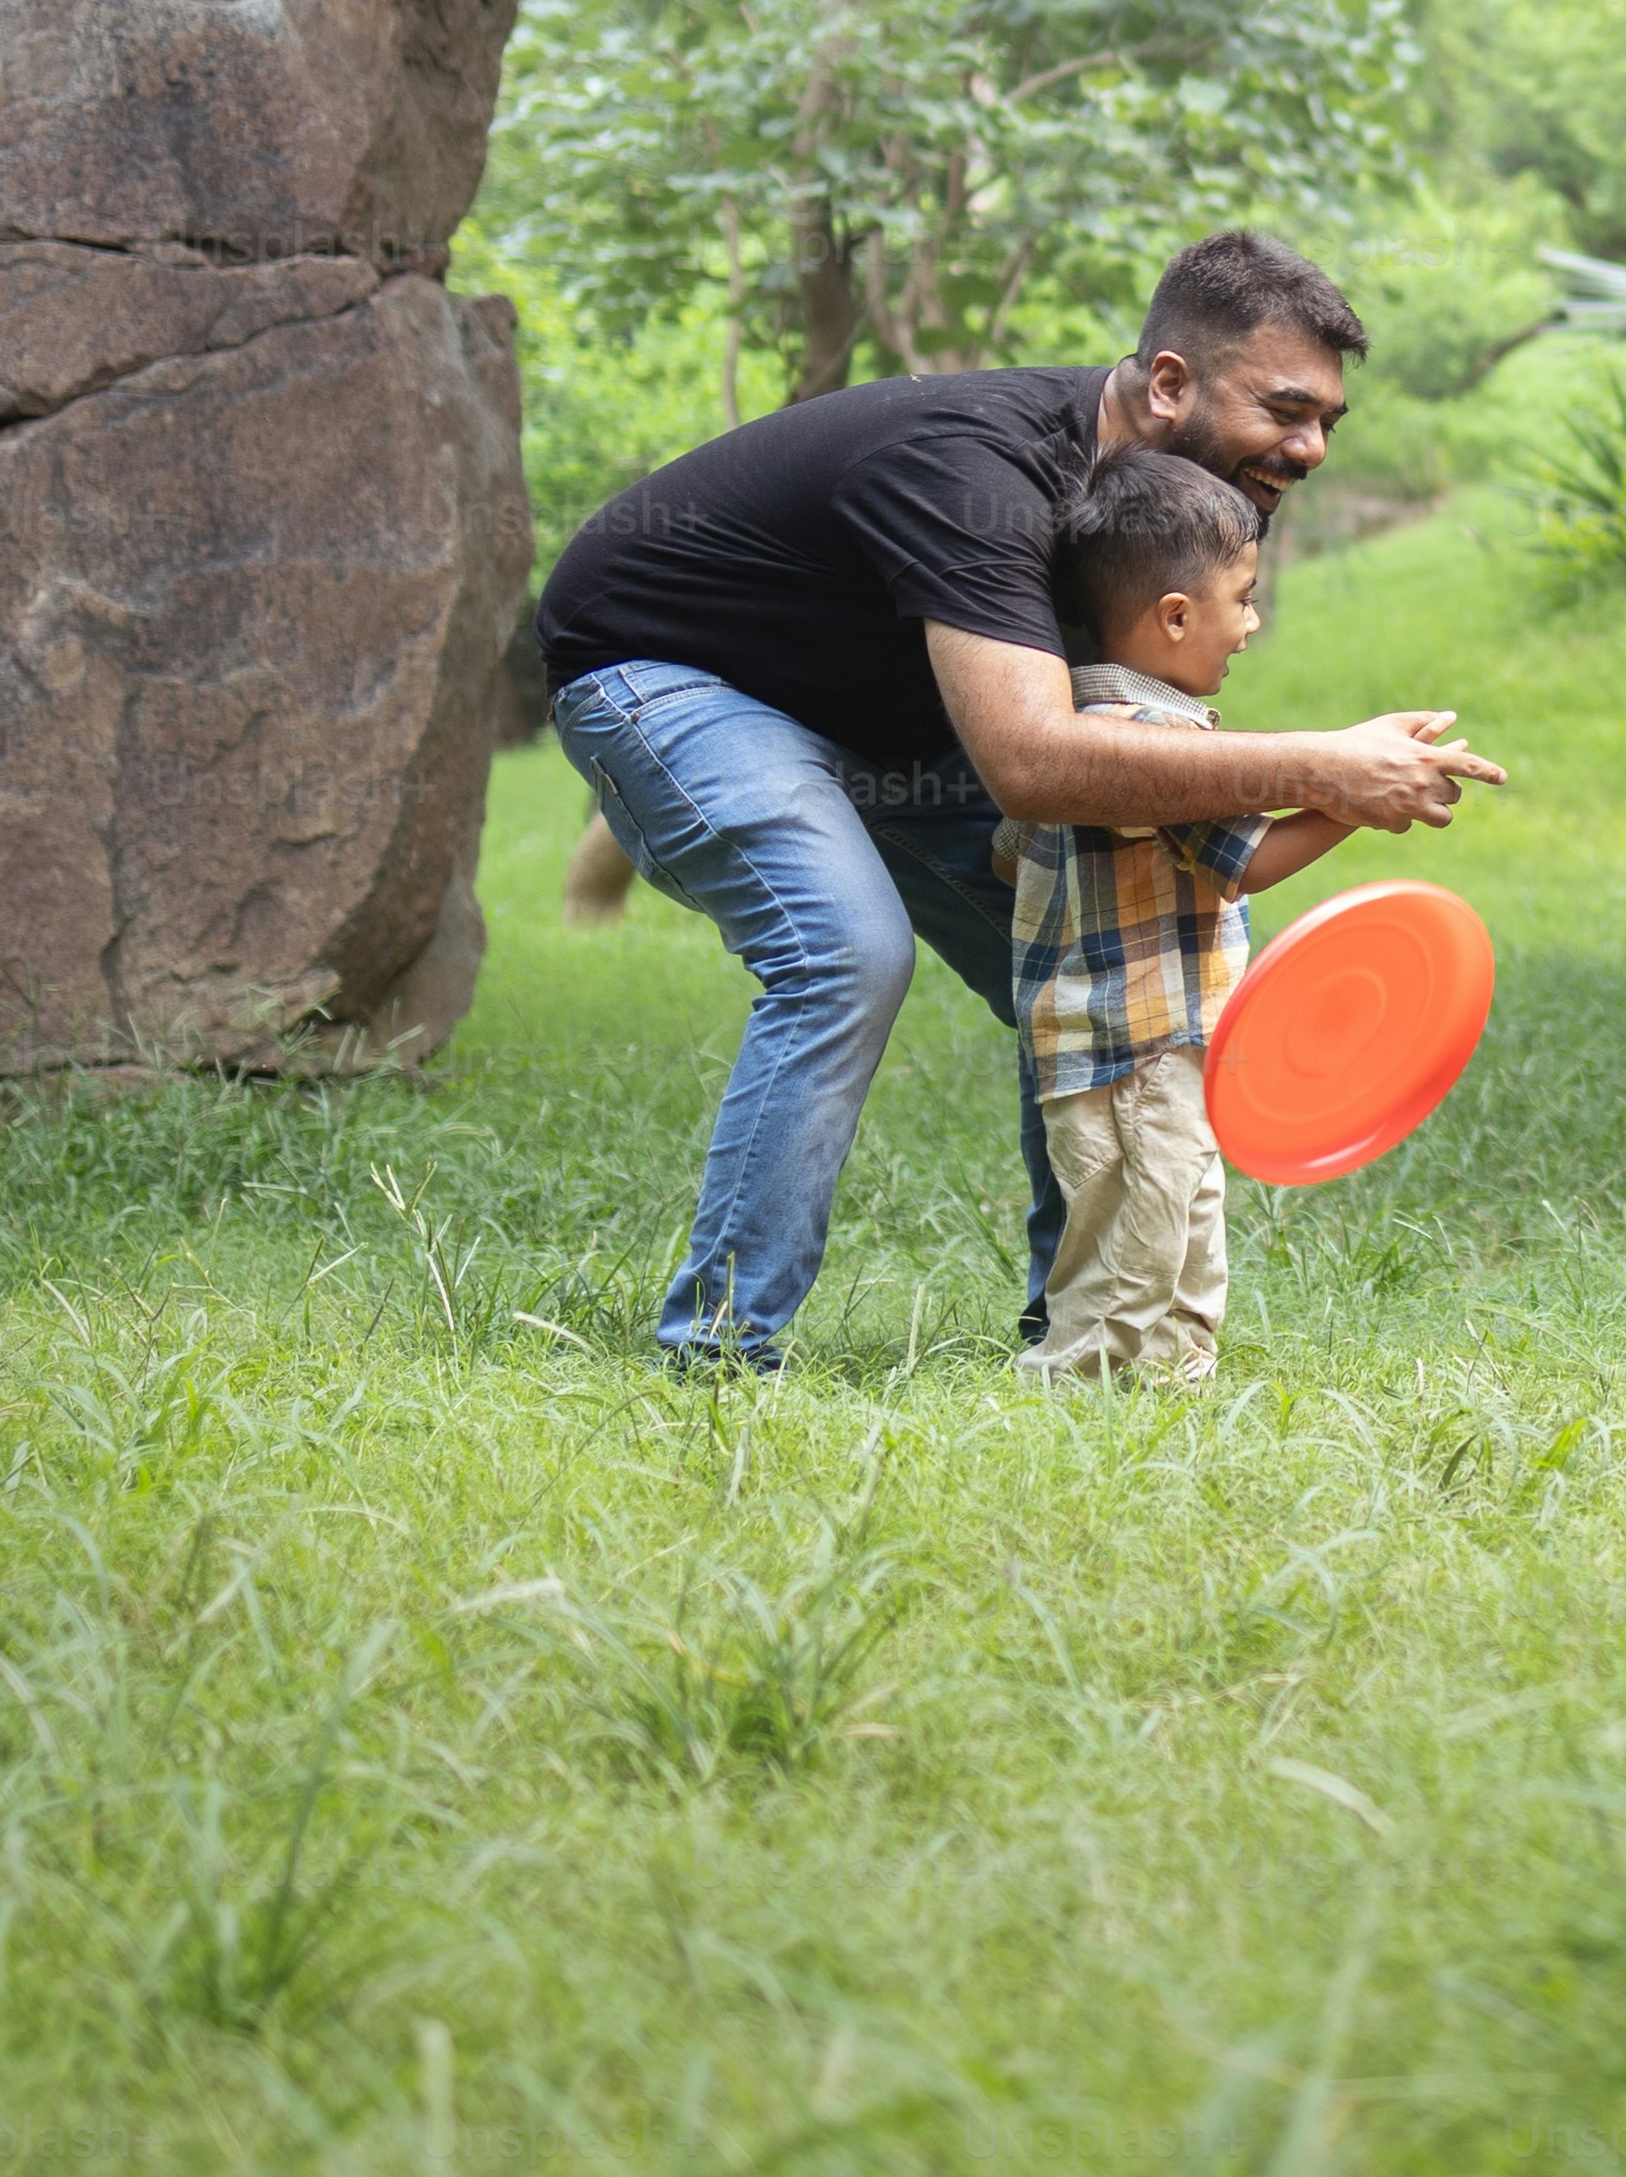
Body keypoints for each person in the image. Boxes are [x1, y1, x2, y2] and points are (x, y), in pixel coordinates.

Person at [536, 232, 1500, 1369]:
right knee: (846, 951)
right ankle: (715, 1355)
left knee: (1135, 968)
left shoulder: (1150, 509)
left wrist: (1317, 791)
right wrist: (1320, 765)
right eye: (1287, 409)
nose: (1312, 446)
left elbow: (1129, 763)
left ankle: (1090, 1337)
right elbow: (1038, 765)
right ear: (1170, 383)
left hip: (891, 721)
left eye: (1330, 421)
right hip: (667, 671)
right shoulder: (984, 478)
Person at [996, 448, 1354, 1385]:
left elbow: (1006, 853)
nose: (1252, 622)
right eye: (1243, 597)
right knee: (1133, 1246)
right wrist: (1351, 800)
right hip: (1131, 1046)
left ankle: (1173, 1376)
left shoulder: (1074, 725)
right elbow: (1248, 861)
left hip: (1153, 1041)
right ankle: (1073, 1384)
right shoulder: (1148, 746)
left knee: (1183, 1218)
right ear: (1176, 616)